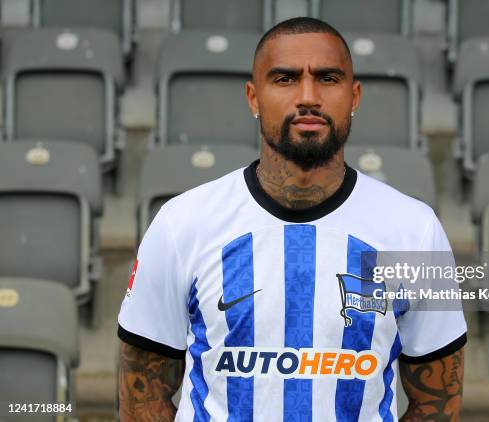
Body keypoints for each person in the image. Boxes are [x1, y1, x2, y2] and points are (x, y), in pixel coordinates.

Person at [118, 17, 467, 421]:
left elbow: (438, 404)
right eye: (284, 79)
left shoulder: (415, 230)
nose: (308, 96)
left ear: (354, 96)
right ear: (253, 97)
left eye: (327, 78)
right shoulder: (181, 224)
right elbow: (140, 398)